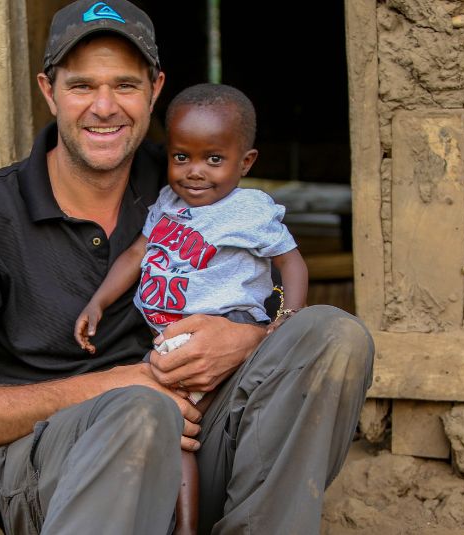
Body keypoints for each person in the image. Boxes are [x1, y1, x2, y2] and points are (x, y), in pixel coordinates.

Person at [0, 1, 374, 534]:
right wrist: (120, 388)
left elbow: (264, 293)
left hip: (197, 439)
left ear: (155, 89)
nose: (105, 106)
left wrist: (253, 338)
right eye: (82, 86)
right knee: (138, 414)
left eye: (125, 85)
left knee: (334, 335)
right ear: (48, 90)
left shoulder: (189, 183)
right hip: (63, 476)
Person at [73, 82, 310, 534]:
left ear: (246, 162)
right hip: (171, 339)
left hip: (226, 327)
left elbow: (291, 262)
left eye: (213, 159)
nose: (194, 172)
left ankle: (188, 527)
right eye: (182, 157)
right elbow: (135, 255)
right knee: (170, 421)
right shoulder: (168, 203)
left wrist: (287, 321)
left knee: (179, 420)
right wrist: (98, 301)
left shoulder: (250, 210)